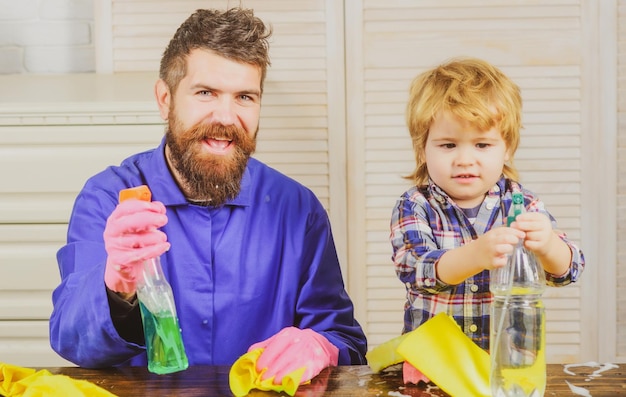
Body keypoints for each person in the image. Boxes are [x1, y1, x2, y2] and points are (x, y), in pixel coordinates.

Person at [49, 7, 367, 384]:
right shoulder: (106, 198)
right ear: (165, 98)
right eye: (205, 93)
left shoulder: (298, 210)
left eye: (245, 97)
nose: (227, 117)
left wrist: (321, 346)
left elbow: (345, 341)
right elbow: (71, 342)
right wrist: (116, 285)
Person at [390, 57, 585, 352]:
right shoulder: (415, 205)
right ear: (422, 151)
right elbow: (418, 272)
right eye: (448, 145)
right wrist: (476, 255)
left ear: (508, 149)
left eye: (482, 145)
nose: (465, 159)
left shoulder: (523, 204)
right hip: (434, 363)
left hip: (506, 361)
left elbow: (569, 270)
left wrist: (547, 246)